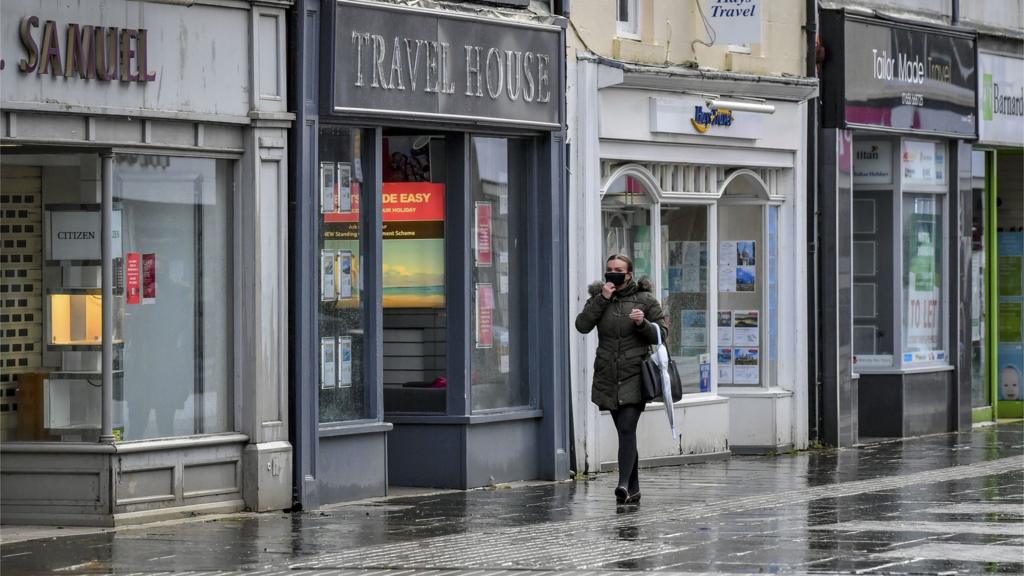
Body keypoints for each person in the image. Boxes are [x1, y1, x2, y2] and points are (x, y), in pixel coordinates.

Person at [575, 254, 667, 505]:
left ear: (629, 274)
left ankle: (623, 484)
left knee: (627, 428)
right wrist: (602, 298)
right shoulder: (600, 298)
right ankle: (634, 488)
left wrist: (642, 324)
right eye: (609, 269)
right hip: (607, 374)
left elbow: (661, 334)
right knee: (624, 431)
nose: (613, 273)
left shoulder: (645, 299)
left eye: (618, 270)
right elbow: (582, 325)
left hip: (635, 374)